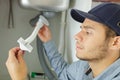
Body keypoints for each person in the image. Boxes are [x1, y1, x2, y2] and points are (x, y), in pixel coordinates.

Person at [6, 2, 120, 80]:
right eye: (81, 29)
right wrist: (48, 42)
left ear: (115, 42)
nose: (76, 36)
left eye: (88, 32)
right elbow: (64, 74)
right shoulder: (86, 66)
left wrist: (19, 78)